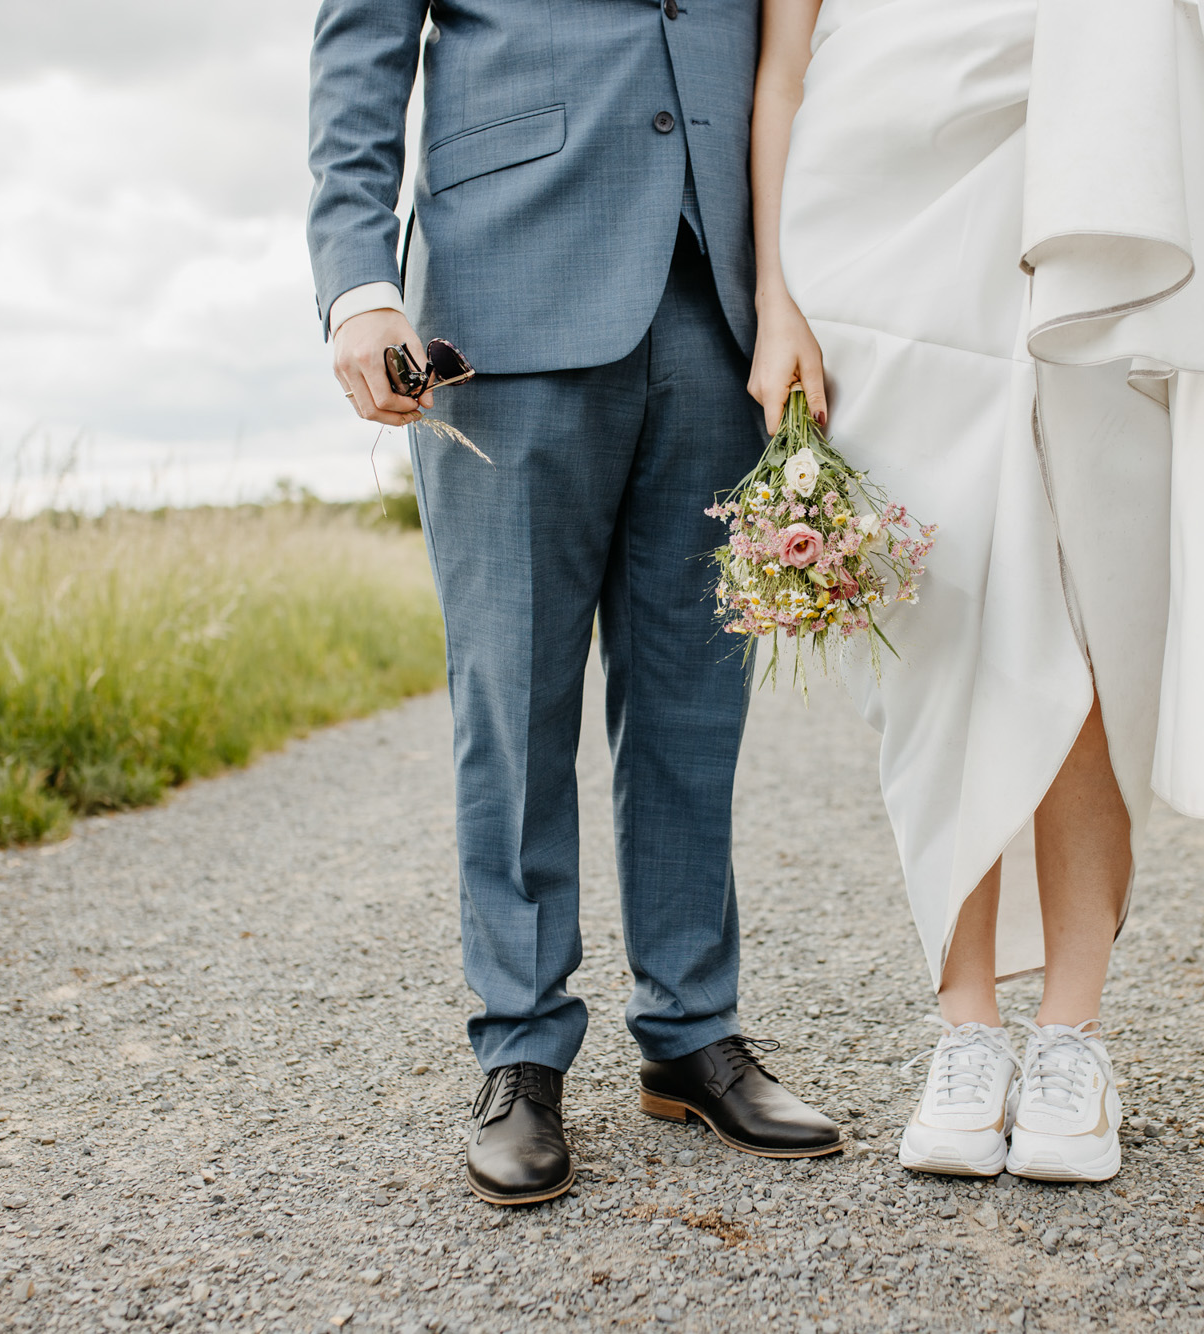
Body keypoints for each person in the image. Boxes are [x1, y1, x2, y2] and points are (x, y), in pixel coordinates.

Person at [748, 0, 1204, 1182]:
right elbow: (779, 69)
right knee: (929, 655)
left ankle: (1071, 1039)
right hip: (870, 260)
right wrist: (775, 296)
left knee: (1087, 625)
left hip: (1072, 218)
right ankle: (965, 1031)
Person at [306, 0, 842, 1207]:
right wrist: (356, 286)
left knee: (694, 701)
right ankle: (519, 1046)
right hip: (498, 306)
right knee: (514, 692)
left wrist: (796, 282)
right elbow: (358, 56)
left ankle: (690, 1031)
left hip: (719, 303)